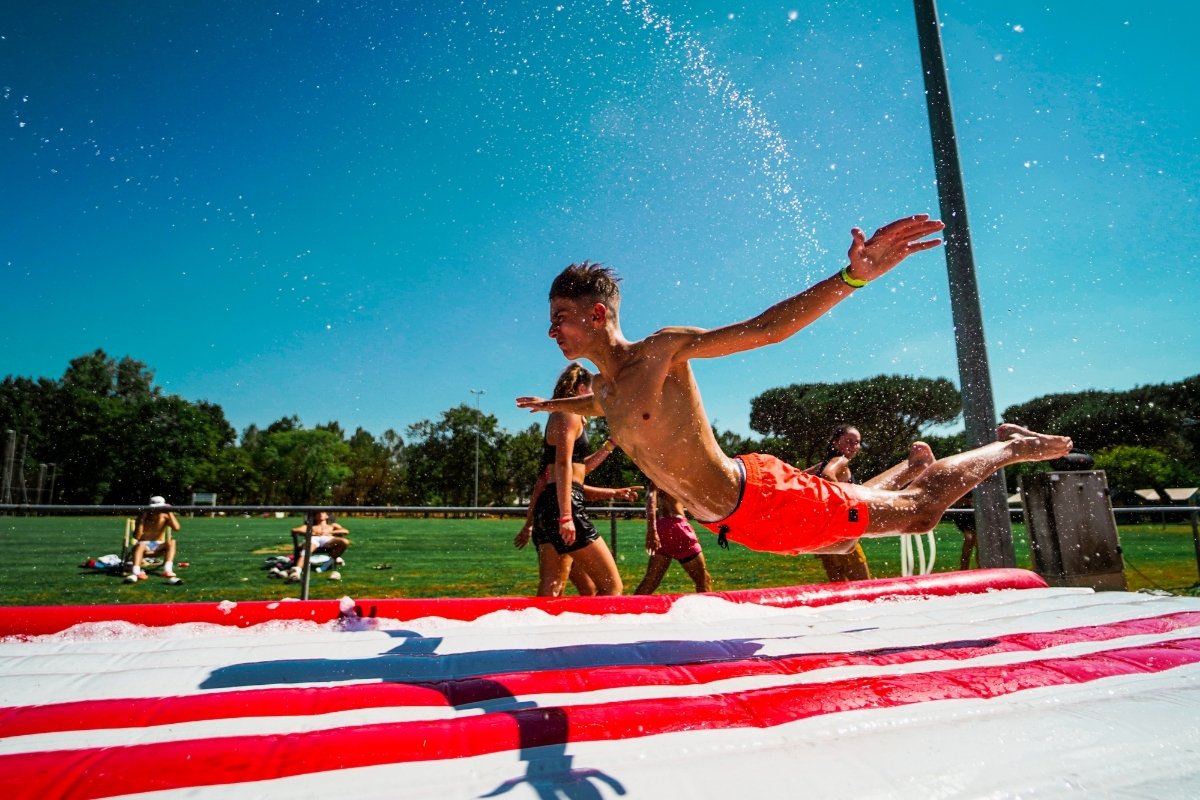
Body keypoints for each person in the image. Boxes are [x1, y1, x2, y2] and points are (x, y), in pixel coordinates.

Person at [517, 214, 1073, 557]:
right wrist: (550, 403)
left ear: (596, 314)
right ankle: (910, 465)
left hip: (760, 498)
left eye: (560, 317)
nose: (551, 330)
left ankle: (1010, 446)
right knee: (844, 538)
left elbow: (767, 329)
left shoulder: (660, 351)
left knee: (919, 513)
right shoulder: (605, 391)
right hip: (733, 523)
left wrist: (852, 277)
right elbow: (597, 406)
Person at [521, 362, 628, 597]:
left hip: (552, 505)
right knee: (611, 587)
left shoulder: (562, 414)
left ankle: (537, 621)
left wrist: (610, 444)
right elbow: (562, 465)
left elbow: (578, 469)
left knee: (553, 584)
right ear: (581, 389)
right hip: (563, 505)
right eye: (592, 390)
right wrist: (566, 516)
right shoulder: (570, 414)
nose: (594, 396)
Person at [806, 426, 939, 581]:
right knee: (863, 584)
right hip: (841, 530)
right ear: (835, 442)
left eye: (857, 442)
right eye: (849, 441)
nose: (853, 446)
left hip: (823, 535)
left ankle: (915, 467)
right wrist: (847, 508)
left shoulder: (822, 464)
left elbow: (802, 477)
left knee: (837, 585)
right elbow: (827, 476)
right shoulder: (840, 461)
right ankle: (916, 466)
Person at [515, 437, 641, 596]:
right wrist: (560, 519)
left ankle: (543, 612)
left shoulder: (559, 463)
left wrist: (610, 445)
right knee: (604, 586)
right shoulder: (564, 441)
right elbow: (552, 485)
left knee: (581, 587)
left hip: (550, 516)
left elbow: (576, 480)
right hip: (562, 518)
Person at [635, 484, 712, 594]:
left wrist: (653, 530)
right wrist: (651, 531)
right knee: (703, 580)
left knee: (650, 581)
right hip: (677, 528)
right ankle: (707, 605)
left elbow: (651, 496)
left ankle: (627, 605)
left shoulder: (658, 477)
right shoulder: (671, 476)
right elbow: (651, 498)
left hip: (662, 528)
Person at [125, 495, 181, 583]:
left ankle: (167, 570)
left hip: (158, 545)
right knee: (140, 545)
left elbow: (177, 528)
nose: (157, 510)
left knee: (172, 542)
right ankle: (136, 572)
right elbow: (137, 537)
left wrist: (169, 512)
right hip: (143, 545)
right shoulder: (143, 517)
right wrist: (142, 519)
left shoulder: (165, 516)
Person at [287, 511, 350, 582]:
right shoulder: (310, 526)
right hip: (314, 539)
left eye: (323, 513)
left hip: (328, 540)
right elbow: (294, 530)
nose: (320, 514)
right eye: (318, 513)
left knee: (345, 541)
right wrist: (311, 532)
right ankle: (296, 572)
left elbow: (345, 531)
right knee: (308, 548)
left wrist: (329, 532)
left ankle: (326, 565)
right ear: (315, 516)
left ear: (327, 516)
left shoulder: (332, 525)